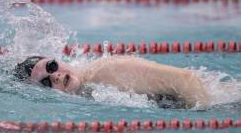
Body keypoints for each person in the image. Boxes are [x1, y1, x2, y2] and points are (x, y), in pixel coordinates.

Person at [14, 56, 211, 109]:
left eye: (51, 66)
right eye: (46, 83)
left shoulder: (107, 72)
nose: (55, 76)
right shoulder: (89, 89)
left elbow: (187, 80)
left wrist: (207, 115)